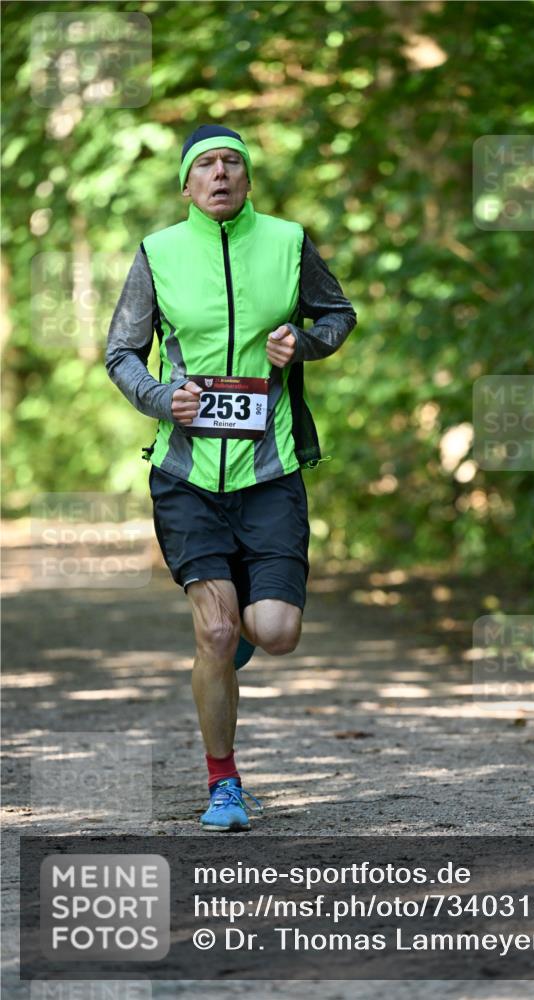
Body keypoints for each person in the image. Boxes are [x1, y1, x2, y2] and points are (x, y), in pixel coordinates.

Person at [106, 124, 356, 831]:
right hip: (186, 475)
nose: (219, 174)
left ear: (247, 179)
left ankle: (245, 626)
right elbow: (121, 353)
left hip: (270, 469)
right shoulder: (158, 253)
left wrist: (302, 341)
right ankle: (224, 785)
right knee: (213, 635)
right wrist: (162, 397)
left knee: (273, 632)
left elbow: (338, 313)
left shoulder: (287, 242)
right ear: (187, 185)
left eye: (232, 163)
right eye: (205, 166)